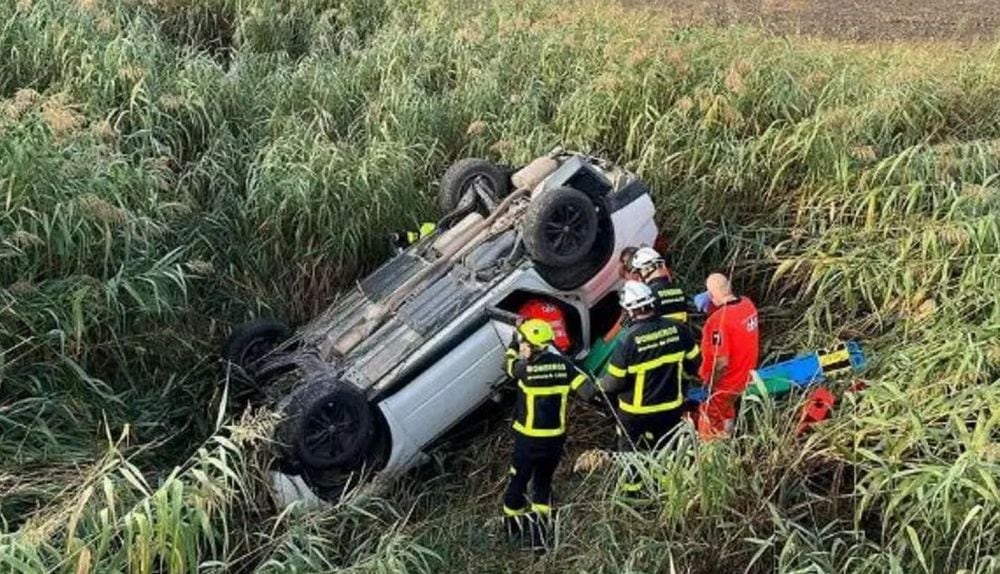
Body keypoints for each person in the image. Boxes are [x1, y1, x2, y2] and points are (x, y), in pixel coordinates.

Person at [578, 281, 700, 493]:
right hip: (671, 407)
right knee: (667, 447)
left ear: (629, 310)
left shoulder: (628, 342)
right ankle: (669, 489)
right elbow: (695, 365)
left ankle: (633, 491)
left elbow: (614, 382)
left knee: (630, 452)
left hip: (636, 412)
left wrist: (597, 387)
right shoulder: (678, 330)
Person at [502, 318, 589, 545]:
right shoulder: (564, 366)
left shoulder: (524, 369)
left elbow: (508, 363)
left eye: (523, 342)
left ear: (531, 346)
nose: (521, 345)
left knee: (518, 484)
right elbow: (588, 391)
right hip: (554, 440)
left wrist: (512, 343)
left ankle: (513, 533)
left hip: (528, 440)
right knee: (542, 485)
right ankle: (540, 539)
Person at [697, 273, 759, 439]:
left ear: (711, 295)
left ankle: (712, 457)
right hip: (745, 377)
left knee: (709, 422)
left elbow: (722, 363)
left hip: (724, 384)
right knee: (727, 412)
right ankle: (728, 438)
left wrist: (710, 385)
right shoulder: (748, 304)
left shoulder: (717, 322)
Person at [630, 247, 689, 323]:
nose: (638, 278)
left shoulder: (647, 297)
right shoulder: (680, 290)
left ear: (647, 269)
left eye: (639, 272)